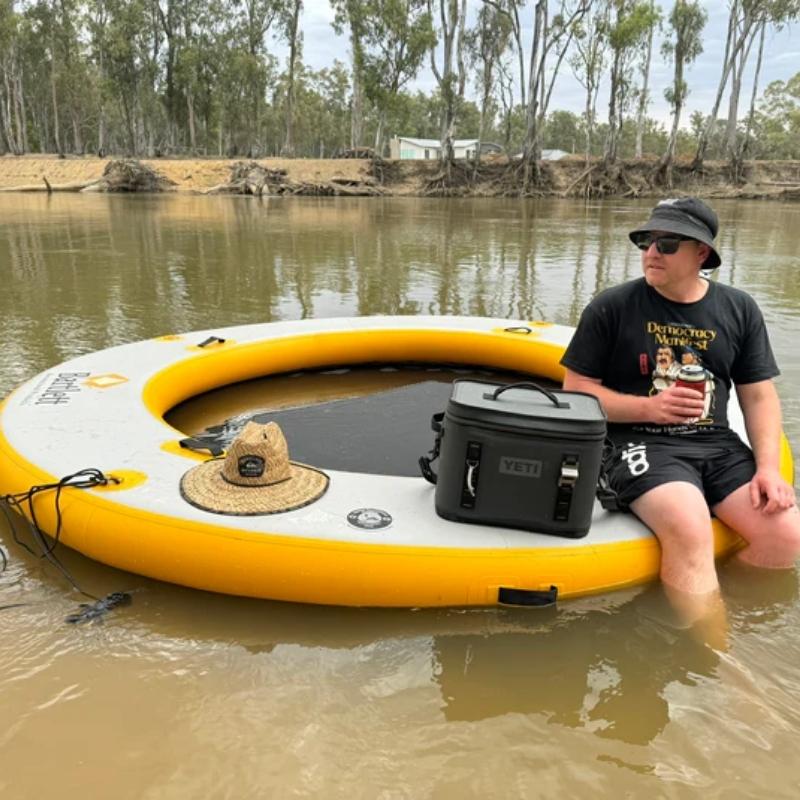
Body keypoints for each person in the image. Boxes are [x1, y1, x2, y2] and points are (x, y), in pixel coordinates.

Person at [560, 197, 800, 625]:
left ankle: (719, 617)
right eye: (646, 241)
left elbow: (758, 396)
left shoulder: (738, 308)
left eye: (667, 243)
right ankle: (715, 663)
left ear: (701, 253)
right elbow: (577, 392)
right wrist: (648, 407)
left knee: (785, 534)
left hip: (718, 445)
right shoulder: (611, 307)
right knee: (690, 528)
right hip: (637, 442)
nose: (651, 253)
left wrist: (768, 469)